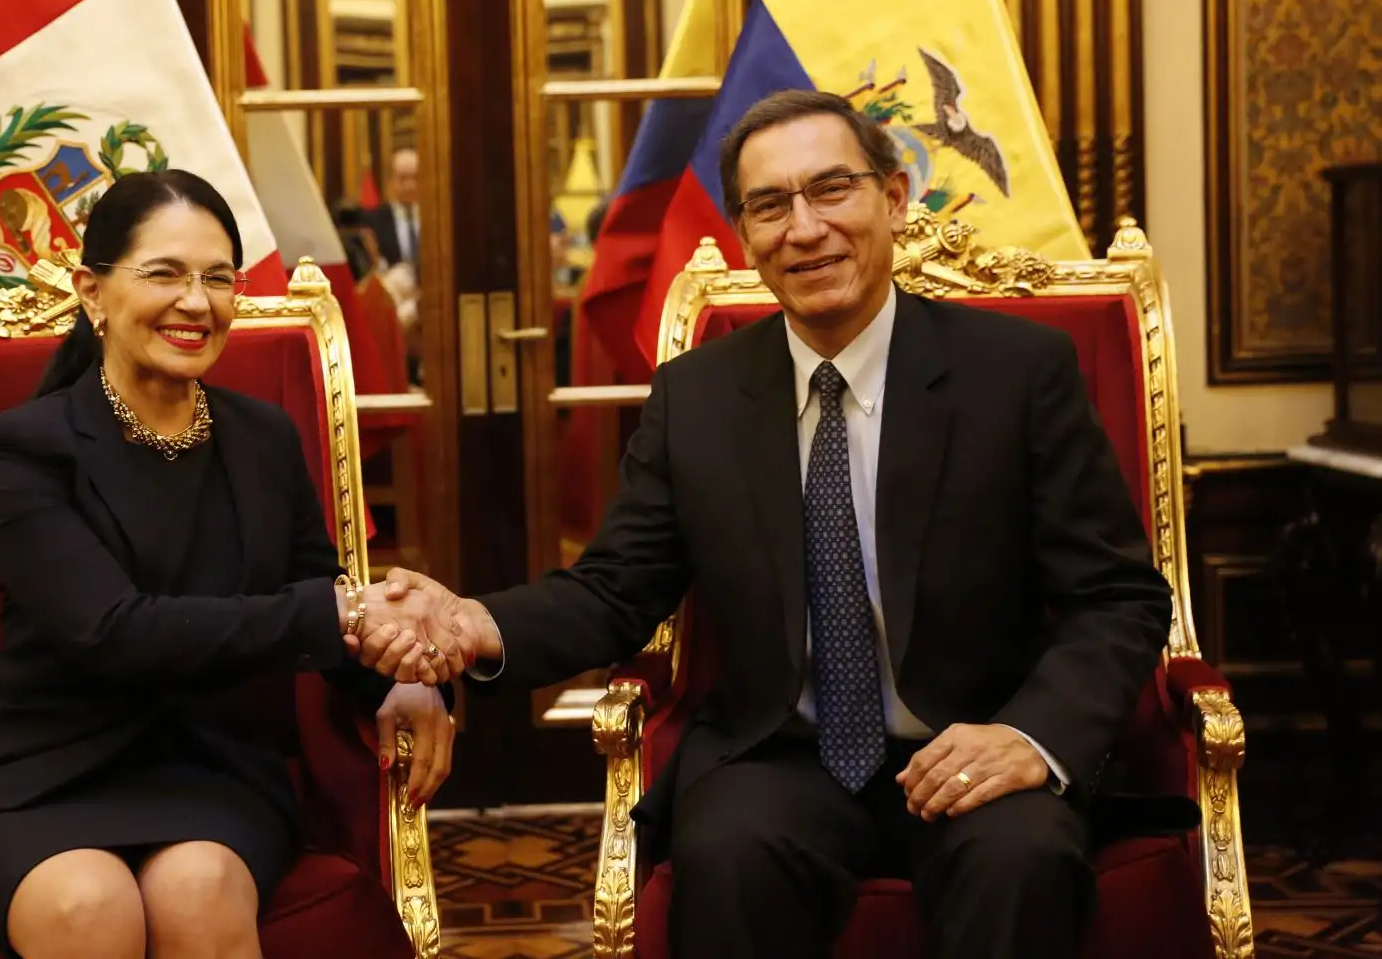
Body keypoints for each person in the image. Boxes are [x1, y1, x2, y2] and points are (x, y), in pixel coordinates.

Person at [355, 89, 1175, 958]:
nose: (805, 228)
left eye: (832, 190)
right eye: (771, 205)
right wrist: (469, 624)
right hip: (782, 752)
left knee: (1020, 861)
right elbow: (613, 591)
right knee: (728, 856)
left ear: (895, 199)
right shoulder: (698, 396)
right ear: (745, 235)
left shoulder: (1016, 372)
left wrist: (1031, 736)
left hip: (977, 740)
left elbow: (1117, 596)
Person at [0, 170, 458, 959]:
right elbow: (113, 632)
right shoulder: (16, 448)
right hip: (35, 777)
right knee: (88, 907)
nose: (196, 303)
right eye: (165, 274)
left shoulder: (263, 437)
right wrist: (344, 612)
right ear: (93, 293)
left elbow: (319, 591)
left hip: (212, 771)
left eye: (218, 278)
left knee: (198, 895)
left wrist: (402, 674)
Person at [360, 147, 420, 272]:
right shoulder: (374, 220)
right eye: (403, 178)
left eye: (415, 178)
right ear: (391, 181)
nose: (410, 186)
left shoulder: (435, 219)